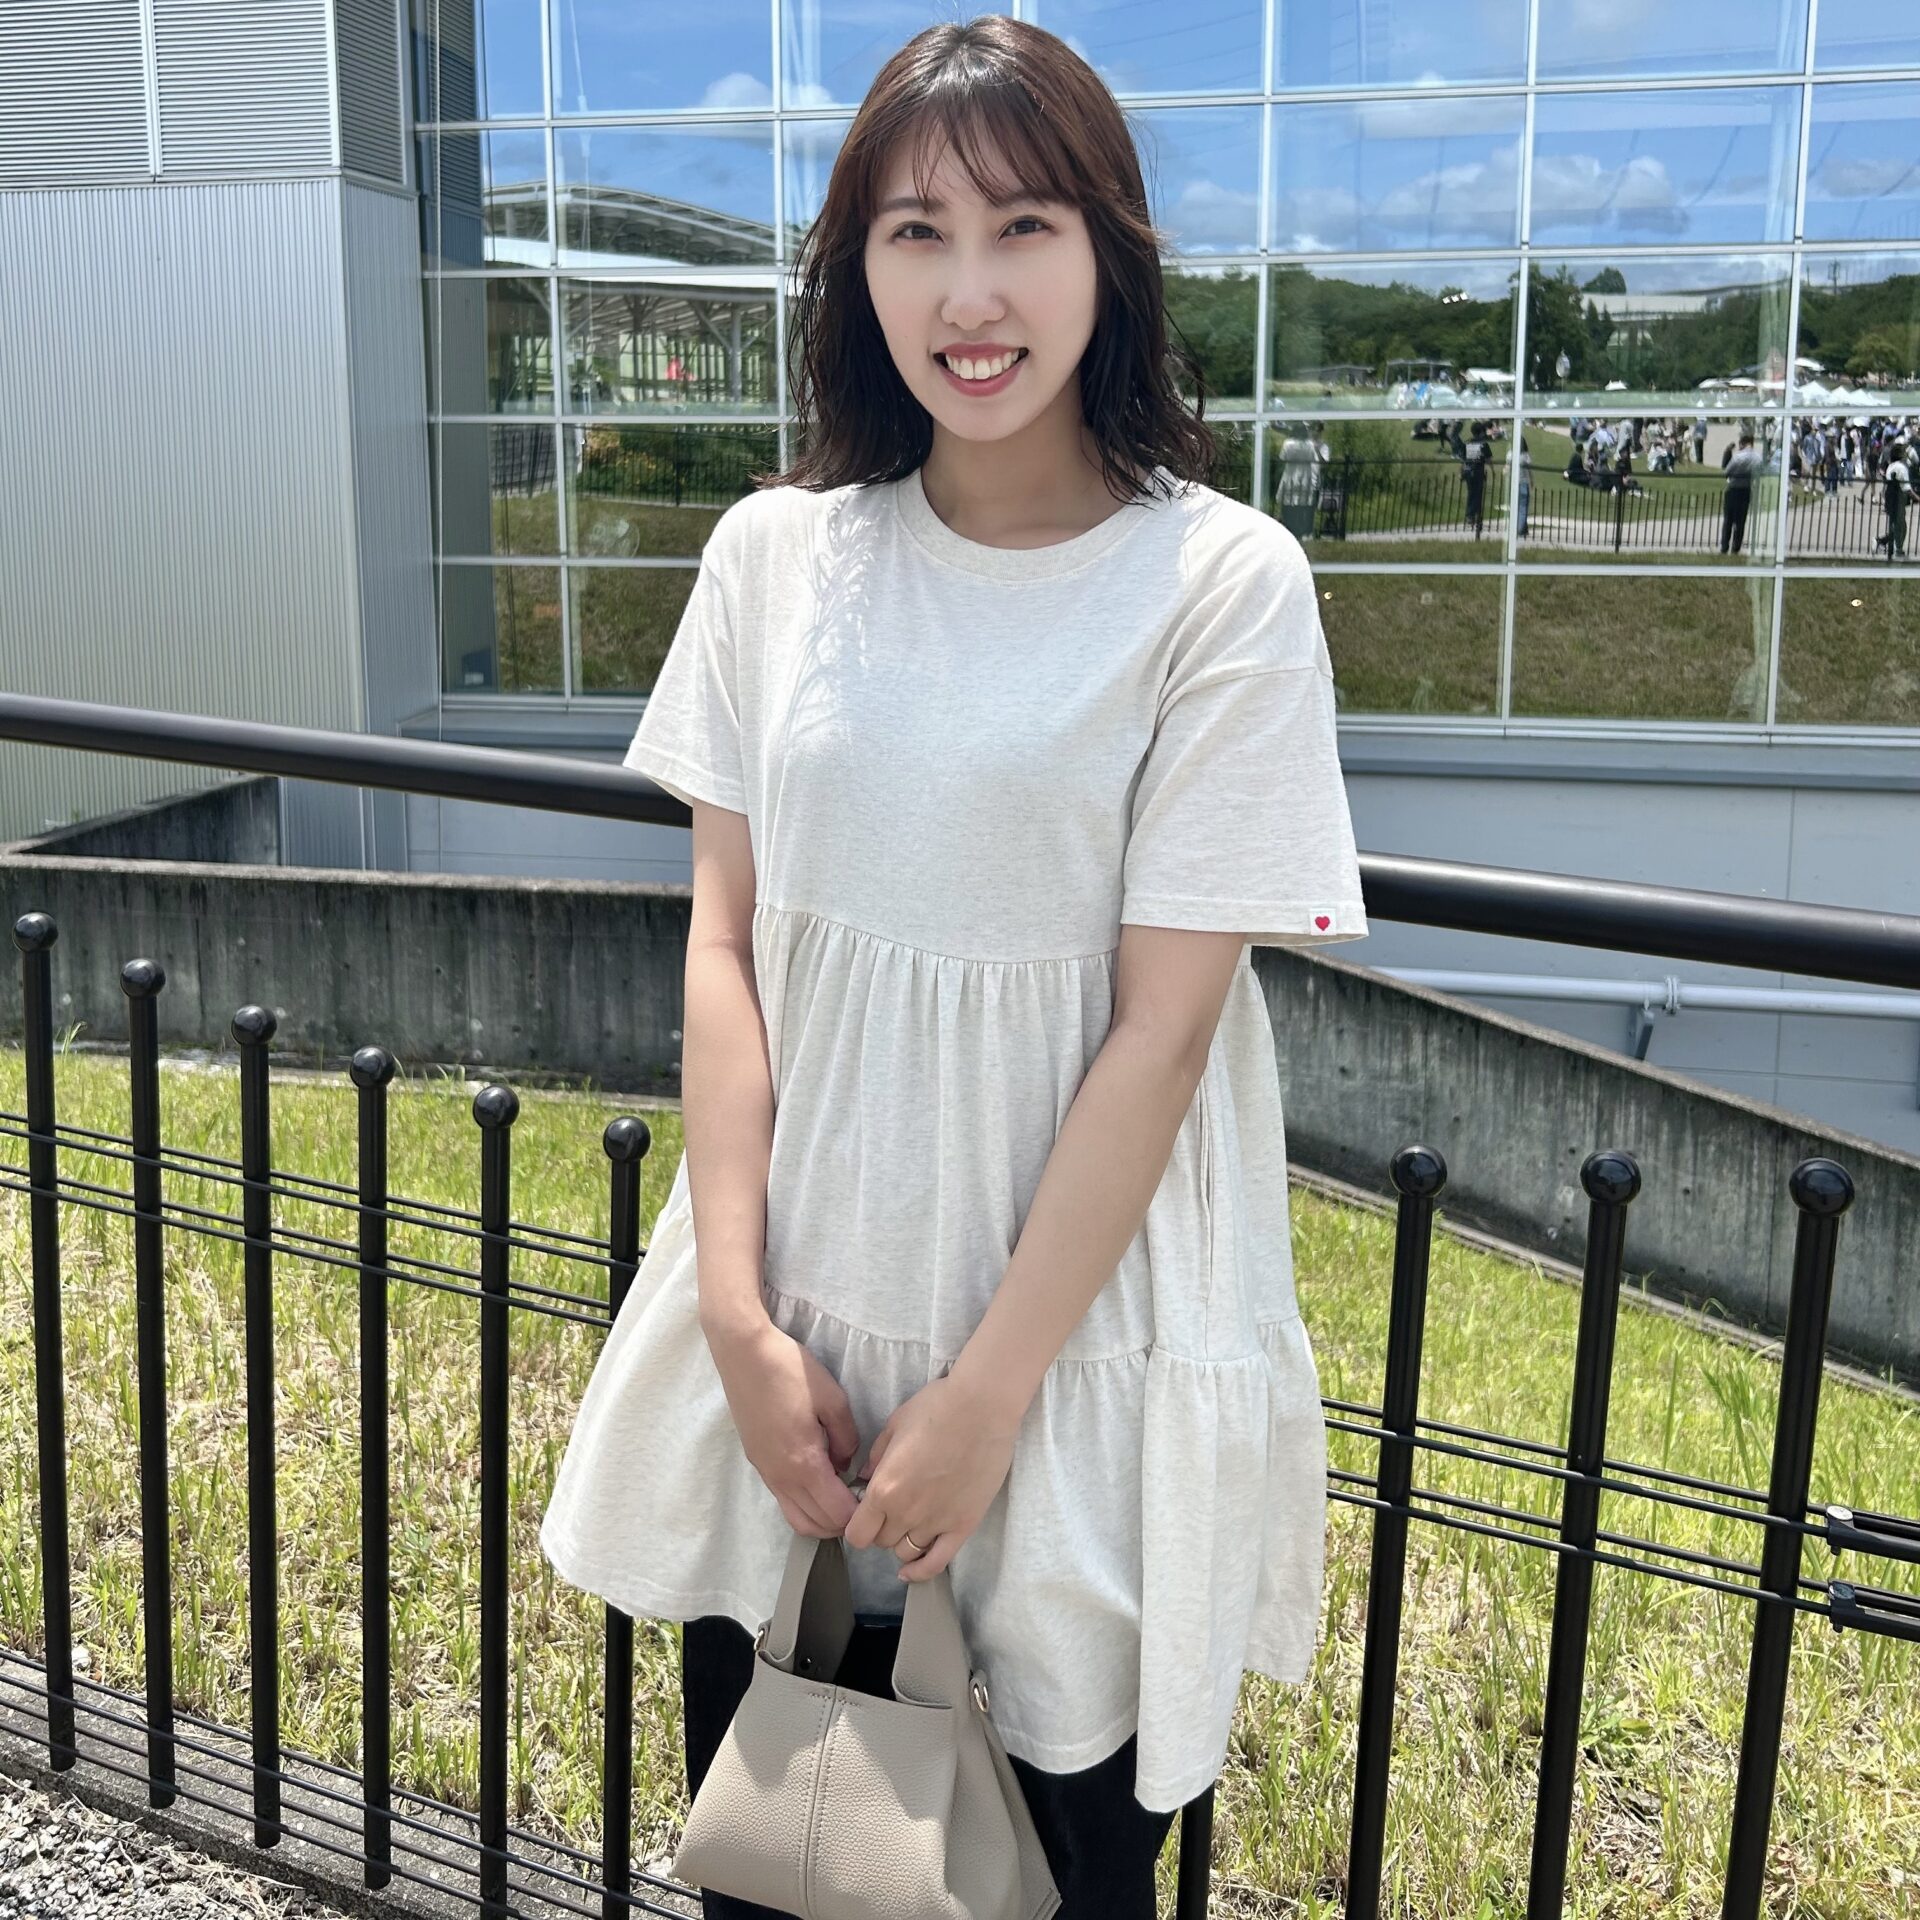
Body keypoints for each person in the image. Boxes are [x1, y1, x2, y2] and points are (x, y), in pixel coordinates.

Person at [536, 19, 1369, 1920]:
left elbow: (1163, 1034)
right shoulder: (774, 558)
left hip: (1069, 1373)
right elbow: (727, 940)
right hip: (800, 1357)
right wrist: (736, 1321)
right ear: (857, 269)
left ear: (1109, 256)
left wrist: (989, 1396)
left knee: (1060, 1872)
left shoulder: (1220, 585)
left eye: (1023, 228)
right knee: (786, 1861)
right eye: (915, 233)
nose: (969, 295)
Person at [1721, 427, 1762, 554]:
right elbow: (1759, 473)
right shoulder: (1758, 458)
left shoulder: (1738, 457)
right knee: (1741, 521)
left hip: (1733, 488)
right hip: (1746, 489)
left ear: (1742, 443)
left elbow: (1727, 471)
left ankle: (1724, 546)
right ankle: (1736, 547)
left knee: (1728, 520)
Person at [1460, 419, 1493, 537]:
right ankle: (1471, 515)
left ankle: (1473, 516)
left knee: (1471, 492)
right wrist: (1492, 469)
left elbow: (1463, 459)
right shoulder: (1483, 444)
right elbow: (1488, 459)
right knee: (1477, 494)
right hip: (1478, 471)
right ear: (1481, 432)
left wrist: (1461, 472)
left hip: (1468, 471)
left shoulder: (1467, 443)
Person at [1881, 442, 1910, 560]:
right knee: (1900, 525)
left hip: (1891, 498)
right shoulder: (1901, 467)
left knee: (1896, 524)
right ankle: (1897, 549)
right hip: (1898, 498)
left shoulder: (1891, 466)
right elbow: (1907, 488)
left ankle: (1887, 545)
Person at [1515, 433, 1531, 538]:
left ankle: (1520, 527)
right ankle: (1521, 529)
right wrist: (1532, 481)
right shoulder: (1525, 456)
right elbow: (1529, 471)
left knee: (1515, 506)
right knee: (1523, 507)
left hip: (1514, 483)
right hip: (1524, 482)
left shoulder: (1510, 454)